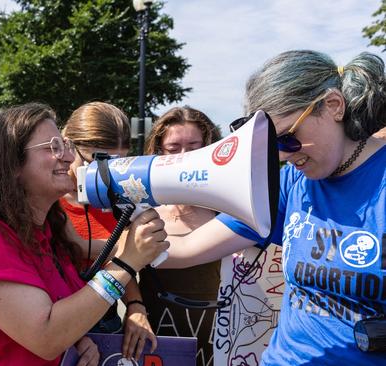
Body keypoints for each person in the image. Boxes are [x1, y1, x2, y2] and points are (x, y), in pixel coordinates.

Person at [157, 50, 386, 365]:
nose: (282, 156)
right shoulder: (293, 181)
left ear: (333, 106)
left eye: (288, 138)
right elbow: (187, 249)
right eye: (271, 145)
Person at [0, 103, 169, 366]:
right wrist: (125, 263)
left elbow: (57, 315)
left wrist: (75, 339)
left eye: (66, 146)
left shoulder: (44, 230)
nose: (69, 158)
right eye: (52, 147)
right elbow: (45, 336)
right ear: (12, 163)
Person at [61, 101, 156, 360]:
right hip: (59, 325)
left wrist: (136, 307)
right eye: (98, 161)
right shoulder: (46, 199)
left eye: (117, 164)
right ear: (67, 145)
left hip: (107, 321)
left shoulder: (116, 198)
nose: (107, 176)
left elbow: (120, 263)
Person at [141, 106, 222, 366]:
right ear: (158, 151)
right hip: (157, 334)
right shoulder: (143, 209)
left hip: (219, 337)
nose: (184, 156)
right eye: (174, 149)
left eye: (194, 146)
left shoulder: (227, 207)